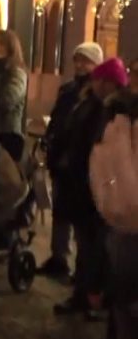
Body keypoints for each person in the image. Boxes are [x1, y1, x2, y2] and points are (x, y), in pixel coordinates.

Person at [54, 58, 128, 317]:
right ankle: (85, 293)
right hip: (83, 182)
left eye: (99, 79)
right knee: (87, 244)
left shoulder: (112, 109)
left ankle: (94, 296)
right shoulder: (91, 103)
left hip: (99, 186)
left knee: (97, 246)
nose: (94, 83)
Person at [43, 42, 106, 279]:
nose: (80, 65)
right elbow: (60, 116)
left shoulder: (96, 93)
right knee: (59, 209)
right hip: (61, 156)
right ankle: (58, 256)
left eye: (86, 61)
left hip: (79, 162)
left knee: (80, 217)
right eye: (77, 60)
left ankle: (82, 271)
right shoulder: (69, 89)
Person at [92, 77, 138, 339]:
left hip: (123, 221)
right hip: (124, 222)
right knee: (124, 301)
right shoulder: (119, 118)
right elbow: (104, 166)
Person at [0, 30, 29, 161]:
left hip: (7, 135)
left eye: (0, 43)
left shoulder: (16, 73)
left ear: (11, 49)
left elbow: (8, 100)